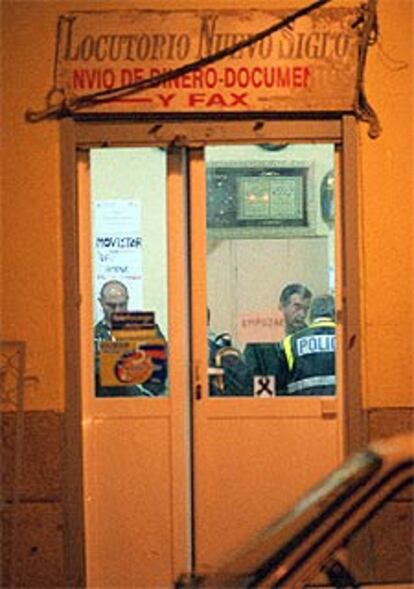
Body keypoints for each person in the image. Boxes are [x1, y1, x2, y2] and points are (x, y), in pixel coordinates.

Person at [94, 280, 167, 397]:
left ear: (127, 300)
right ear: (101, 303)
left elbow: (162, 361)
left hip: (145, 398)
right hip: (108, 402)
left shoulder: (146, 329)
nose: (117, 310)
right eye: (111, 306)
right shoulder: (94, 335)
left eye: (122, 305)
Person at [243, 283, 313, 387]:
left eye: (306, 309)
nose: (302, 314)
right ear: (281, 306)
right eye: (297, 307)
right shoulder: (260, 339)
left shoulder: (308, 338)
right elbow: (251, 376)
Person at [276, 294, 336, 396]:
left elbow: (280, 384)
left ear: (311, 315)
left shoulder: (290, 342)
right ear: (334, 314)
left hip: (303, 407)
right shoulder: (345, 338)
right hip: (341, 407)